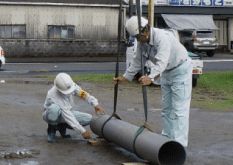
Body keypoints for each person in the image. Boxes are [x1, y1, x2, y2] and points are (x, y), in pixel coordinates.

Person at [113, 16, 192, 146]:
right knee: (166, 108)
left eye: (138, 37)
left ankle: (179, 144)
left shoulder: (162, 38)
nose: (138, 40)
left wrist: (150, 77)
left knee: (179, 109)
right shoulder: (143, 43)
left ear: (146, 31)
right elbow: (138, 60)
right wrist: (126, 77)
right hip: (167, 72)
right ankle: (166, 138)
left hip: (180, 70)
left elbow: (161, 61)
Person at [43, 73, 105, 143]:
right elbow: (67, 115)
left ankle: (61, 126)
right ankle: (52, 130)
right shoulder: (53, 94)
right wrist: (82, 131)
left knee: (88, 118)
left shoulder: (70, 85)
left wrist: (95, 104)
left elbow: (83, 94)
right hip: (51, 115)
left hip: (66, 113)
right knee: (54, 109)